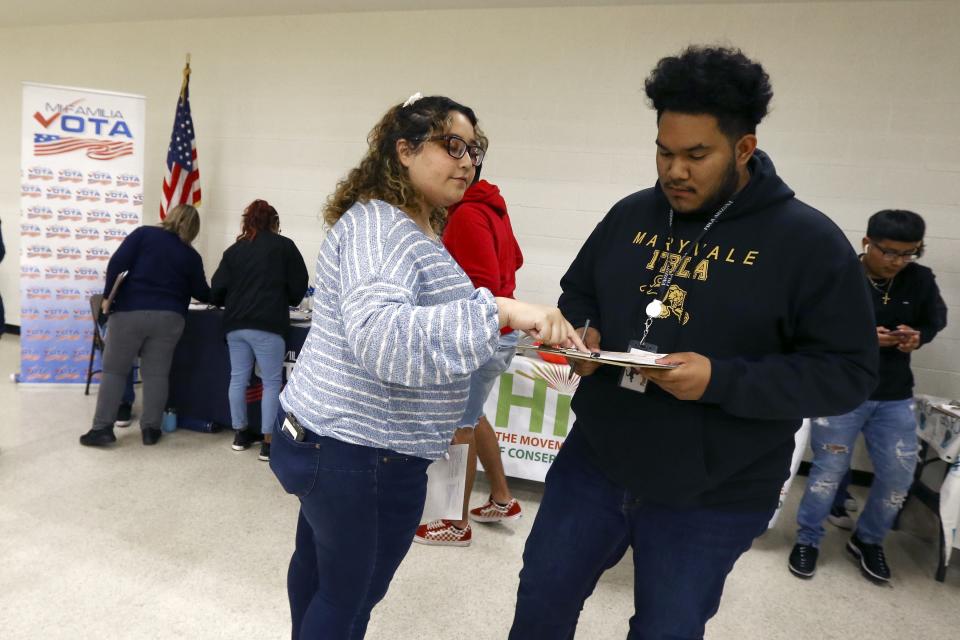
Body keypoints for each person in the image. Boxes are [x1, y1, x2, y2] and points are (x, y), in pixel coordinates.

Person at [509, 46, 879, 639]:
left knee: (667, 628)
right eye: (664, 151)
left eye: (696, 155)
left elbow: (849, 373)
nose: (674, 170)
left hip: (716, 489)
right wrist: (586, 330)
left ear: (744, 149)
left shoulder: (807, 242)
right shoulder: (631, 216)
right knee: (541, 605)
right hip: (597, 463)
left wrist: (720, 379)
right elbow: (580, 288)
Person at [270, 94, 586, 640]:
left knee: (324, 578)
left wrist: (504, 330)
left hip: (344, 443)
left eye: (475, 149)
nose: (467, 161)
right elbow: (384, 339)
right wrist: (501, 310)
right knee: (348, 597)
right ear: (405, 150)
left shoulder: (406, 229)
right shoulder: (383, 228)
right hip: (360, 451)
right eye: (453, 145)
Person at [790, 209, 947, 583]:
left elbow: (935, 318)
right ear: (867, 243)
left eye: (909, 253)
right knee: (827, 472)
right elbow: (808, 325)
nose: (897, 261)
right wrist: (859, 338)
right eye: (889, 251)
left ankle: (868, 539)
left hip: (893, 394)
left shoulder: (919, 280)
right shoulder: (842, 275)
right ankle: (808, 539)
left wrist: (918, 336)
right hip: (841, 392)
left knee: (898, 475)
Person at [415, 166, 525, 547]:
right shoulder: (493, 207)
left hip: (485, 336)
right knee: (473, 415)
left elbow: (485, 284)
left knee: (460, 423)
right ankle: (502, 498)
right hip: (503, 334)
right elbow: (517, 259)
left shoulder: (466, 214)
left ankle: (454, 522)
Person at [79, 204, 211, 447]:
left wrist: (108, 297)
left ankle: (102, 429)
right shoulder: (191, 256)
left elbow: (117, 264)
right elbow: (202, 293)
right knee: (156, 375)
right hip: (170, 318)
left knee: (115, 371)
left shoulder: (144, 234)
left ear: (170, 216)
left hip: (130, 312)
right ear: (194, 229)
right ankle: (151, 430)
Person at [211, 199, 308, 461]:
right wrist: (288, 299)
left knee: (238, 379)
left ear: (247, 222)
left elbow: (216, 288)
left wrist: (228, 301)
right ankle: (268, 442)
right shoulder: (284, 246)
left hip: (235, 326)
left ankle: (240, 434)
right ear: (275, 223)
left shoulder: (234, 250)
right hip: (268, 325)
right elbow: (300, 284)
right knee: (271, 382)